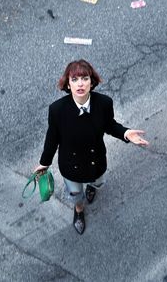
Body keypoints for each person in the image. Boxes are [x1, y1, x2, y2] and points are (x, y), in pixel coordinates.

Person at [34, 59, 149, 235]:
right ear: (68, 84)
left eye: (85, 78)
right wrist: (44, 163)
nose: (80, 83)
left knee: (98, 182)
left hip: (96, 161)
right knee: (75, 194)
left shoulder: (103, 103)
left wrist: (126, 133)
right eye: (74, 79)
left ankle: (91, 188)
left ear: (91, 81)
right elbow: (52, 138)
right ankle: (79, 210)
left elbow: (110, 125)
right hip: (71, 165)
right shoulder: (57, 110)